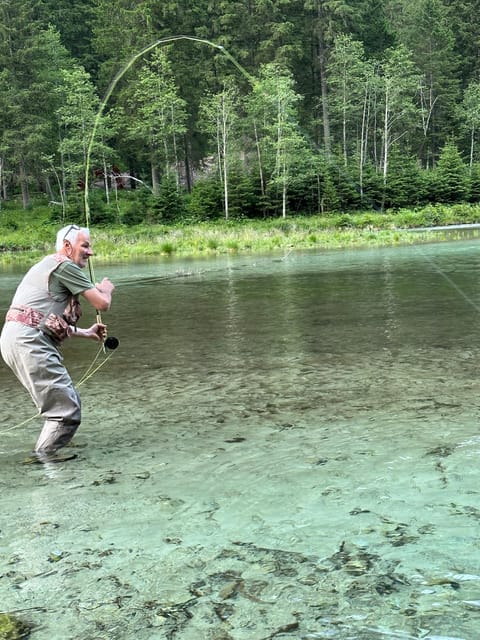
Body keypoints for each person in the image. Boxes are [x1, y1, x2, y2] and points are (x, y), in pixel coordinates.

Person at [0, 224, 115, 461]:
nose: (90, 252)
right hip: (29, 341)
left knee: (67, 399)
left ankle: (53, 446)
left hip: (18, 338)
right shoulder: (64, 265)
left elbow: (44, 318)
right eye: (85, 245)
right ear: (67, 246)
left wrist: (87, 332)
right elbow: (102, 304)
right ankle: (45, 459)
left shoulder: (50, 265)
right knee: (65, 411)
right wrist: (106, 289)